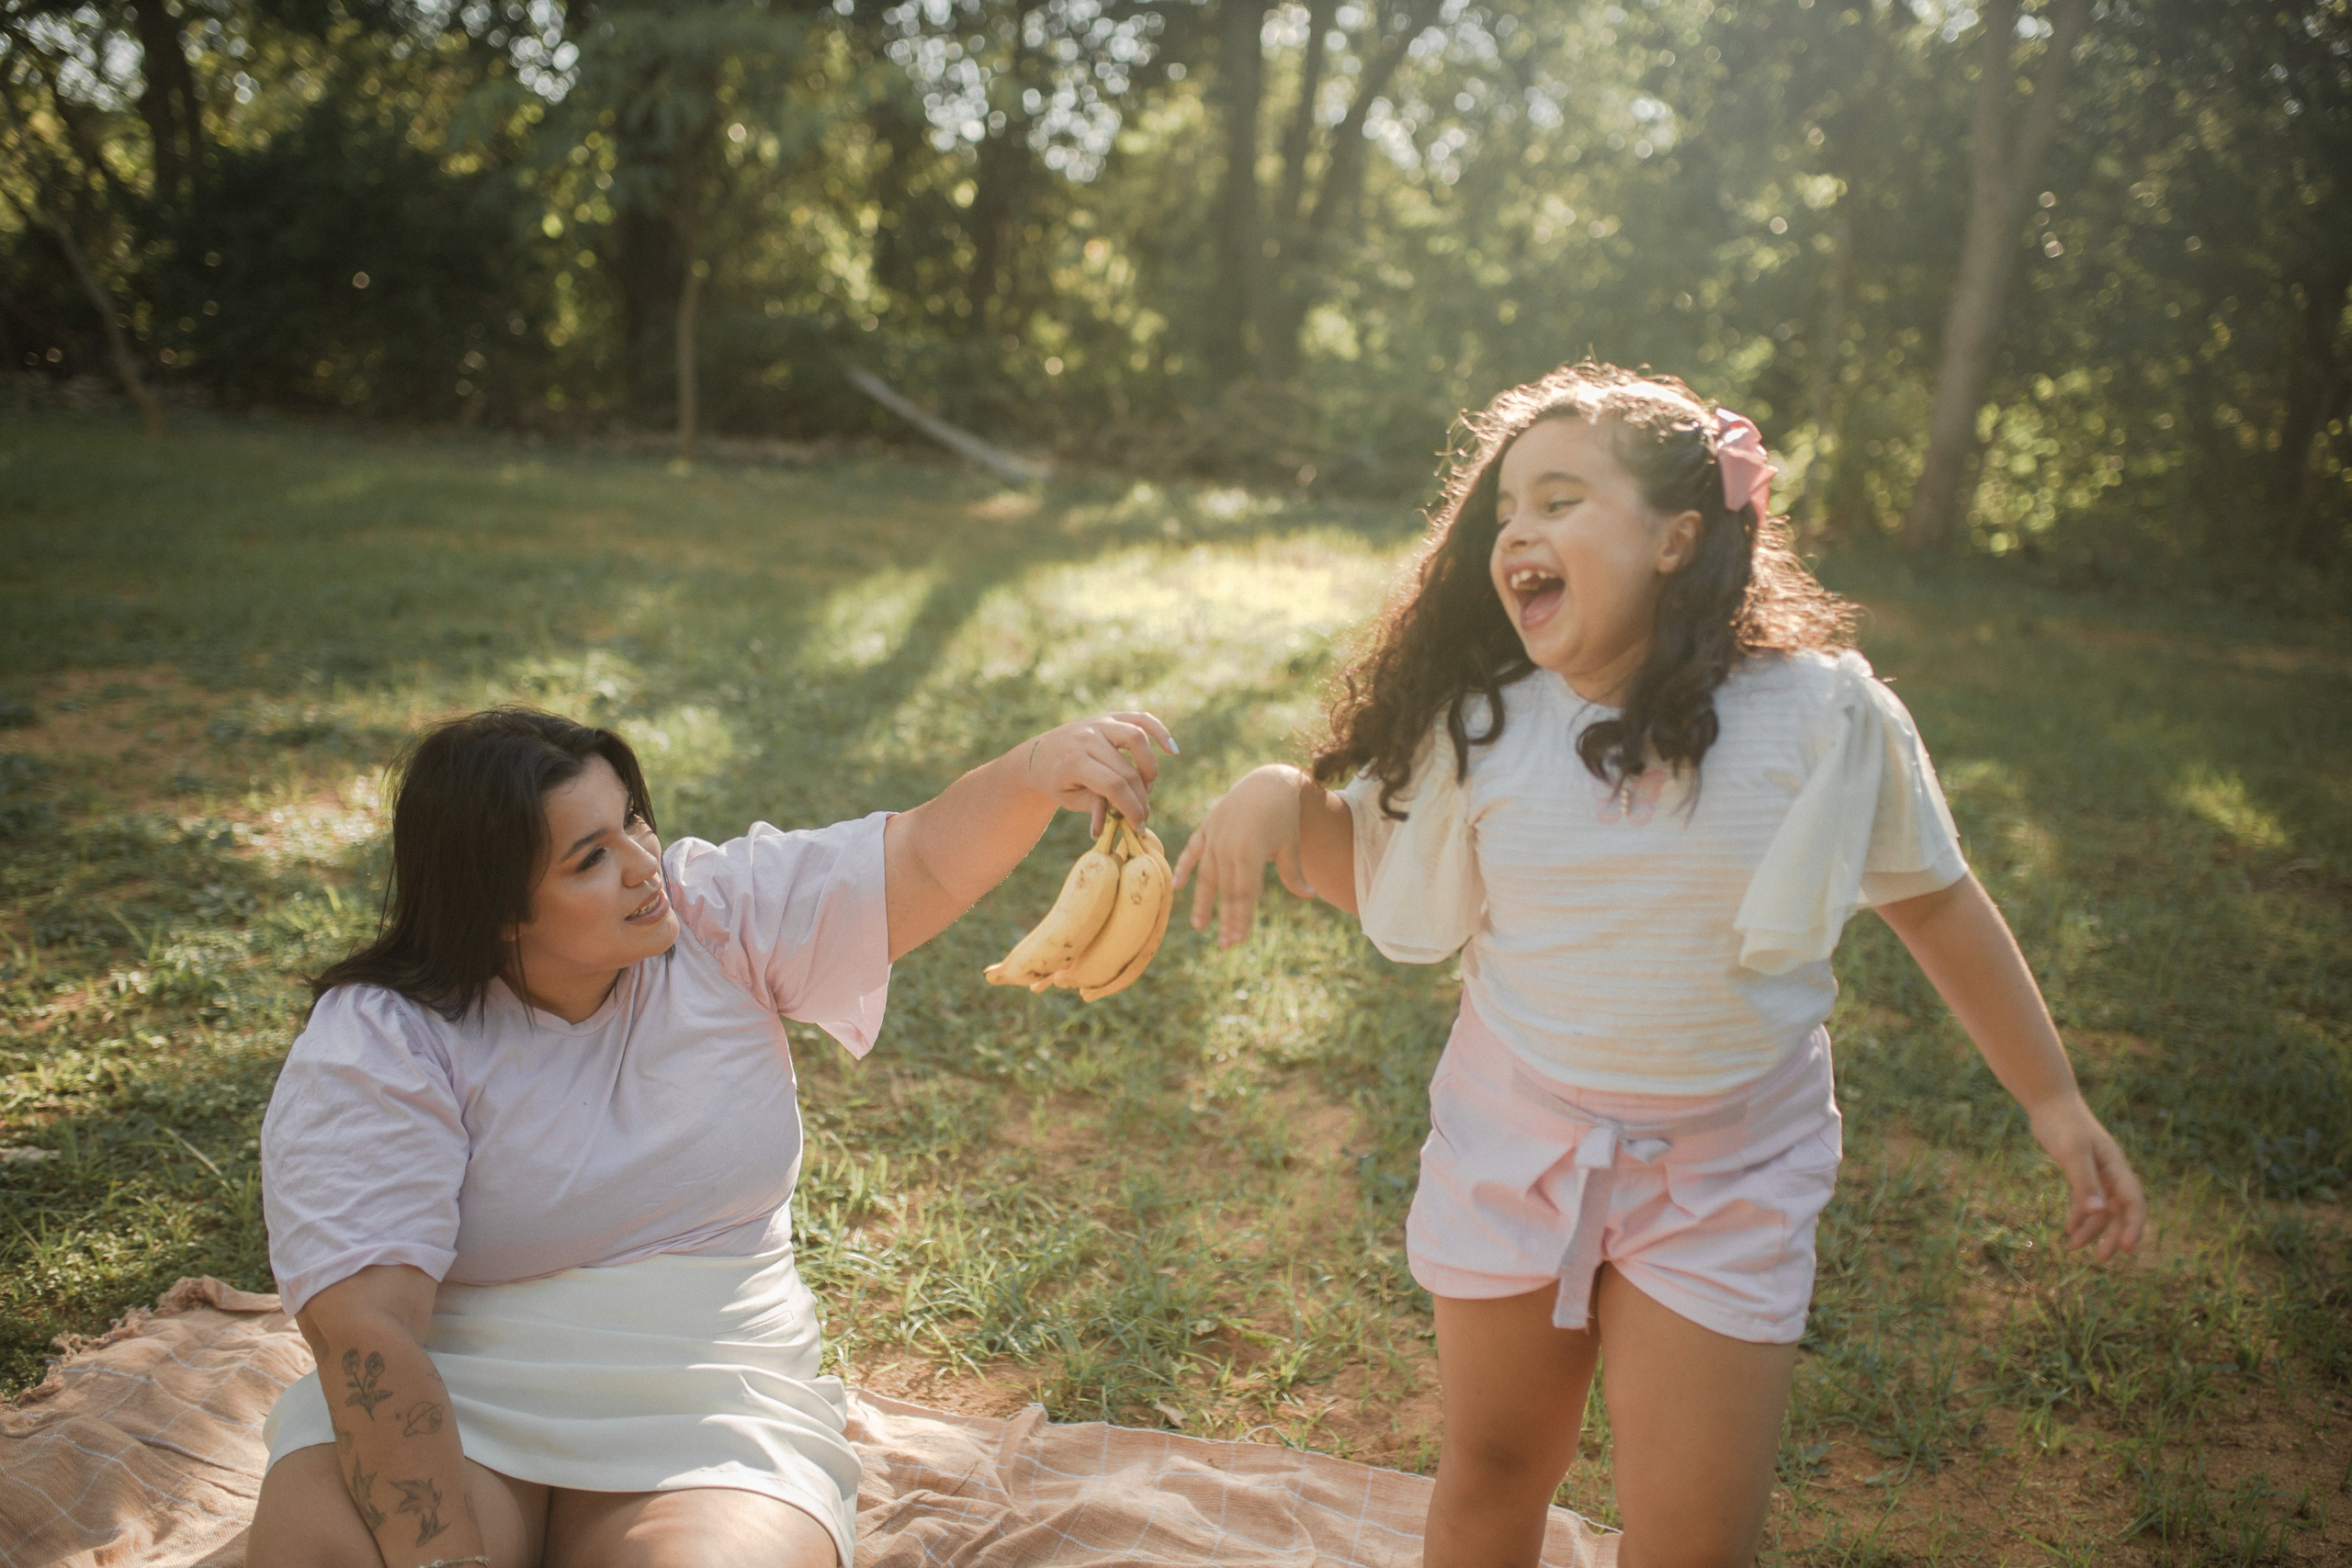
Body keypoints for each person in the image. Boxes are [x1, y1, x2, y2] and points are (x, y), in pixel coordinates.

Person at [1172, 362, 2146, 1568]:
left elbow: (1941, 905)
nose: (1520, 529)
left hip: (1730, 1166)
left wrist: (2053, 1097)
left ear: (1680, 535)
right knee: (1489, 1471)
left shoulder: (1824, 721)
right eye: (1510, 508)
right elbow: (1379, 877)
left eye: (1563, 498)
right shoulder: (1492, 723)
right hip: (1517, 1136)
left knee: (1692, 1534)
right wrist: (1278, 798)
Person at [248, 705, 1175, 1568]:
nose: (645, 866)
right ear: (495, 907)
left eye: (634, 824)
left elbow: (925, 860)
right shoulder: (381, 1038)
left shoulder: (719, 915)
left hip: (711, 1400)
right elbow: (367, 1331)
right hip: (456, 1393)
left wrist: (1032, 772)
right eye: (589, 859)